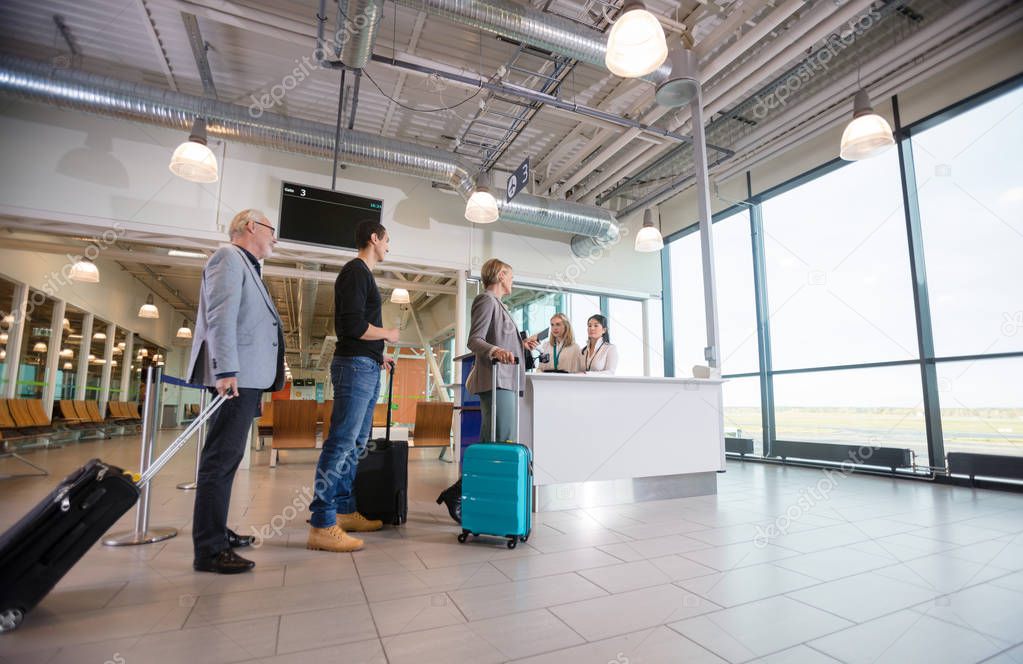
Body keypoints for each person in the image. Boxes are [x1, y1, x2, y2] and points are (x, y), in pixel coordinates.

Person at [187, 209, 286, 574]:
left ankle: (216, 532)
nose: (275, 238)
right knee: (220, 459)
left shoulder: (247, 265)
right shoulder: (227, 257)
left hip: (248, 379)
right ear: (250, 227)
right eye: (271, 231)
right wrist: (225, 369)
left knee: (227, 459)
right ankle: (209, 550)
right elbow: (220, 315)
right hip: (236, 378)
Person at [307, 220, 399, 553]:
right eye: (387, 240)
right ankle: (322, 522)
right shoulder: (355, 272)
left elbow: (360, 330)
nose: (389, 246)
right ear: (374, 239)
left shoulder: (363, 275)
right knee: (342, 442)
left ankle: (344, 510)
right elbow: (352, 326)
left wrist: (380, 355)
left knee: (357, 443)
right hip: (354, 367)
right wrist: (387, 334)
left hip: (367, 365)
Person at [435, 258, 537, 523]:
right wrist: (496, 350)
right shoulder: (487, 301)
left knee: (493, 443)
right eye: (511, 275)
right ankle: (464, 495)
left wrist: (519, 346)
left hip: (505, 380)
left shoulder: (498, 304)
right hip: (497, 381)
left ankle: (465, 495)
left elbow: (496, 339)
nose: (513, 281)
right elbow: (474, 340)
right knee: (499, 442)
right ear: (501, 274)